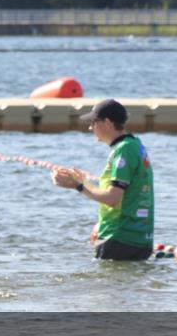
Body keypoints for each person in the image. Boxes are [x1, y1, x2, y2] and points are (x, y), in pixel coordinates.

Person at [52, 99, 154, 261]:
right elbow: (120, 193)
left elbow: (112, 198)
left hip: (119, 238)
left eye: (93, 122)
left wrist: (77, 186)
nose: (90, 128)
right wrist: (84, 182)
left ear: (107, 123)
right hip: (140, 240)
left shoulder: (124, 149)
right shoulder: (135, 145)